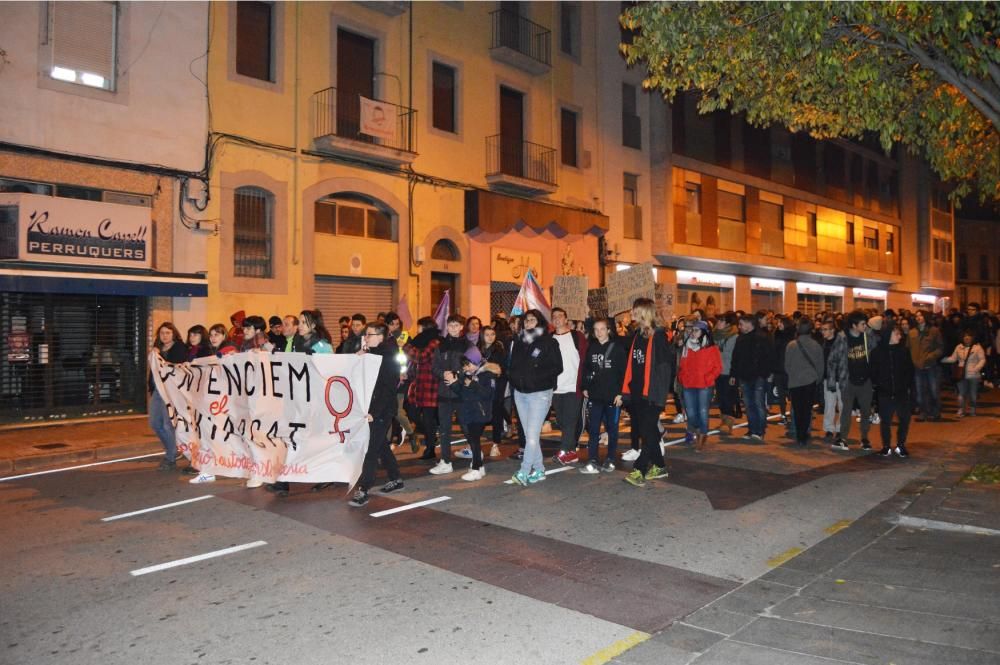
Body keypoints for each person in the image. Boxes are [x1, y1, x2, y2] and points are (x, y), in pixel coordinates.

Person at [349, 323, 406, 507]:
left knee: (370, 448)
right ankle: (396, 478)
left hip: (382, 409)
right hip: (372, 408)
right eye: (366, 334)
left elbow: (387, 389)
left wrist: (374, 412)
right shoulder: (372, 354)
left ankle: (363, 489)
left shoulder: (387, 356)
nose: (366, 337)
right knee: (381, 445)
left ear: (381, 337)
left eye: (370, 334)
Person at [621, 298, 673, 487]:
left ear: (644, 312)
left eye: (635, 309)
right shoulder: (638, 335)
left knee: (647, 432)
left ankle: (639, 469)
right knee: (649, 431)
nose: (631, 312)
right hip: (637, 393)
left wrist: (659, 398)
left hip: (651, 394)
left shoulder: (658, 337)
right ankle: (659, 466)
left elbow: (665, 370)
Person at [507, 309, 562, 486]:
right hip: (521, 394)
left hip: (540, 394)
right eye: (526, 320)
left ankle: (524, 471)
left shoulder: (548, 342)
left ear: (539, 322)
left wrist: (536, 378)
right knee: (531, 435)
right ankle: (539, 470)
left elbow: (557, 367)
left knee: (531, 435)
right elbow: (512, 366)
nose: (528, 323)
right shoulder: (519, 342)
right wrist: (514, 379)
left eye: (532, 320)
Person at [579, 317, 626, 474]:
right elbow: (586, 369)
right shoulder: (591, 348)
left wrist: (621, 394)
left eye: (602, 329)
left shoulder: (617, 348)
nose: (599, 332)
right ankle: (592, 459)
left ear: (608, 330)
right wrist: (585, 387)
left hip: (612, 396)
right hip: (595, 396)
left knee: (612, 429)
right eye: (596, 329)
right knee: (593, 430)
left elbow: (624, 373)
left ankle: (610, 458)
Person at [827, 310, 877, 452]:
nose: (865, 326)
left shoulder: (867, 336)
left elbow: (876, 346)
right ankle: (842, 438)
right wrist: (831, 380)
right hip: (848, 380)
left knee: (866, 411)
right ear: (854, 325)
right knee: (846, 411)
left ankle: (865, 438)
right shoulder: (842, 338)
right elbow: (832, 359)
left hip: (865, 380)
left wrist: (871, 332)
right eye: (862, 324)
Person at [429, 314, 471, 475]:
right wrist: (443, 374)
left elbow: (471, 367)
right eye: (450, 325)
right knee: (444, 429)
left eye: (456, 325)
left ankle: (476, 455)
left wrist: (456, 374)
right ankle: (445, 461)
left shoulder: (468, 345)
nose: (453, 328)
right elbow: (434, 367)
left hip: (461, 392)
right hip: (444, 393)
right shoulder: (441, 345)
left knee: (467, 425)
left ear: (462, 327)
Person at [446, 350, 496, 482]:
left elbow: (489, 394)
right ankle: (479, 467)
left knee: (474, 440)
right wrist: (454, 384)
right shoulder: (467, 374)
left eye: (468, 364)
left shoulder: (487, 374)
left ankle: (476, 469)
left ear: (476, 362)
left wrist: (473, 384)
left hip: (480, 413)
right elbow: (463, 394)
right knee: (473, 440)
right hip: (468, 412)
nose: (466, 368)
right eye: (464, 365)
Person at [551, 307, 589, 465]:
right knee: (560, 420)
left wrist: (586, 383)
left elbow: (586, 359)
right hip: (555, 388)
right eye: (554, 317)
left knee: (570, 420)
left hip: (573, 386)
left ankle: (565, 450)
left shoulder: (576, 336)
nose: (557, 319)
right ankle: (571, 451)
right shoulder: (549, 338)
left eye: (560, 316)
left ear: (566, 319)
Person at [149, 322, 188, 472]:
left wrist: (158, 355)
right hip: (158, 391)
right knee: (155, 423)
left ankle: (170, 457)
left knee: (167, 424)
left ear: (174, 334)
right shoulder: (157, 349)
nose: (164, 336)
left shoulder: (179, 348)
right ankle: (172, 450)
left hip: (171, 391)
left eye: (168, 333)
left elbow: (175, 368)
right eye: (162, 333)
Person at [678, 320, 722, 451]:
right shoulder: (687, 347)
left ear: (704, 332)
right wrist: (682, 377)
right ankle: (697, 430)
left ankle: (702, 436)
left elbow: (718, 367)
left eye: (696, 330)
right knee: (691, 412)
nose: (693, 332)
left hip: (704, 385)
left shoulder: (712, 349)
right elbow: (682, 365)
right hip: (688, 384)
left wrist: (708, 377)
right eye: (693, 330)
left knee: (703, 411)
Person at [871, 325, 915, 457]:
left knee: (904, 419)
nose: (900, 336)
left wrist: (907, 385)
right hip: (885, 392)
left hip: (901, 392)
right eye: (897, 334)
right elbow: (873, 371)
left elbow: (910, 370)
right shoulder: (877, 352)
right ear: (889, 335)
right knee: (886, 421)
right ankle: (886, 446)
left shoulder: (903, 351)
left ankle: (901, 445)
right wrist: (879, 385)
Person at [731, 314, 774, 442]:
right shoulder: (740, 339)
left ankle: (759, 431)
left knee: (758, 403)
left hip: (758, 376)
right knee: (749, 405)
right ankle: (752, 429)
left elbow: (769, 357)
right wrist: (733, 374)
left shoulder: (762, 337)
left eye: (741, 324)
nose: (739, 327)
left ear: (749, 324)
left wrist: (765, 373)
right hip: (744, 376)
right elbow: (736, 357)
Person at [405, 317, 442, 461]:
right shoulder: (422, 341)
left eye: (419, 327)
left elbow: (421, 357)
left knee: (428, 418)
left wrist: (406, 346)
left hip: (431, 385)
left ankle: (430, 448)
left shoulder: (434, 342)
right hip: (419, 384)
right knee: (412, 412)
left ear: (425, 327)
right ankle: (431, 438)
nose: (417, 330)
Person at [784, 319, 825, 447]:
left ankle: (799, 433)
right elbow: (820, 365)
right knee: (807, 409)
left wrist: (792, 375)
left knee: (797, 408)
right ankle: (804, 434)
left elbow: (787, 365)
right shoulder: (816, 345)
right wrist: (817, 378)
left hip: (795, 381)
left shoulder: (791, 345)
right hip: (810, 380)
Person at [907, 310, 943, 421]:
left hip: (930, 366)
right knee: (919, 392)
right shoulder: (912, 332)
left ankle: (935, 412)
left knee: (933, 390)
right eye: (916, 316)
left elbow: (940, 348)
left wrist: (931, 356)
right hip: (917, 367)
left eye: (920, 315)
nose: (918, 318)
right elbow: (908, 348)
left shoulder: (934, 331)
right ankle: (923, 412)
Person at [942, 330, 986, 417]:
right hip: (961, 373)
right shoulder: (959, 347)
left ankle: (972, 410)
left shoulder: (977, 348)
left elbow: (982, 359)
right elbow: (953, 358)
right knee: (961, 393)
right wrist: (942, 359)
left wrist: (976, 368)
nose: (967, 338)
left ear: (972, 338)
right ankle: (961, 409)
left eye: (969, 336)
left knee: (973, 394)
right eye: (965, 336)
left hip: (973, 375)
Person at [481, 325, 509, 456]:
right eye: (487, 334)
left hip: (497, 385)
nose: (490, 337)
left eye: (492, 334)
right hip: (481, 387)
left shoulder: (499, 349)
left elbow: (498, 369)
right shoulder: (477, 349)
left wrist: (483, 366)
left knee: (496, 413)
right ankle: (473, 445)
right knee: (480, 414)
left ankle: (495, 444)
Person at [712, 313, 740, 435]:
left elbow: (733, 356)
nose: (718, 323)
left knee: (728, 397)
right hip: (717, 371)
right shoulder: (715, 335)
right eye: (718, 321)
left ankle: (729, 422)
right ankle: (724, 419)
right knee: (720, 397)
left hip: (728, 371)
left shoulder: (734, 336)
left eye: (721, 321)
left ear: (728, 324)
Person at [818, 319, 842, 439]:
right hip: (829, 379)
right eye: (822, 329)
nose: (823, 332)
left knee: (842, 405)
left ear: (832, 330)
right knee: (829, 405)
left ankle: (840, 429)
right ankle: (829, 429)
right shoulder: (824, 344)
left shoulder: (841, 342)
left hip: (841, 378)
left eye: (825, 329)